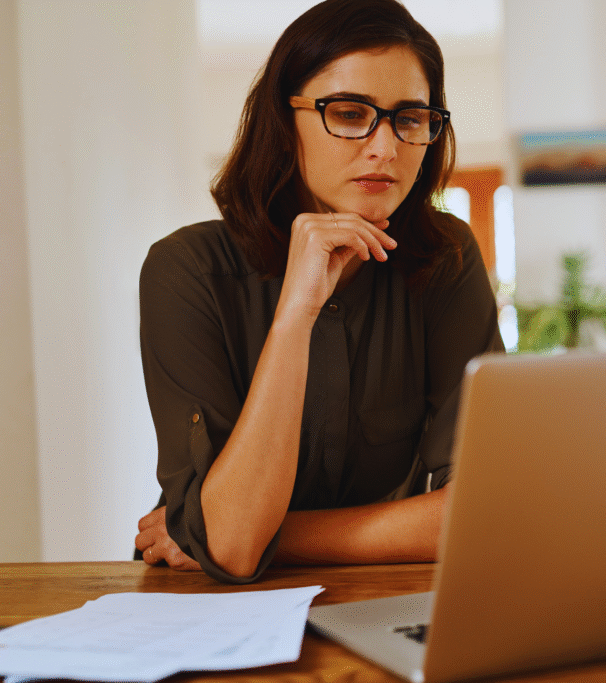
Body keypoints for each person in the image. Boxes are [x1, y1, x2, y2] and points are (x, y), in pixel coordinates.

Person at [134, 0, 503, 583]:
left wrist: (253, 535)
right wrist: (295, 315)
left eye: (410, 118)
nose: (385, 148)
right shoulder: (187, 271)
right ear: (283, 124)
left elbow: (487, 510)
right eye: (350, 113)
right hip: (215, 619)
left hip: (387, 599)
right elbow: (230, 551)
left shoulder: (444, 255)